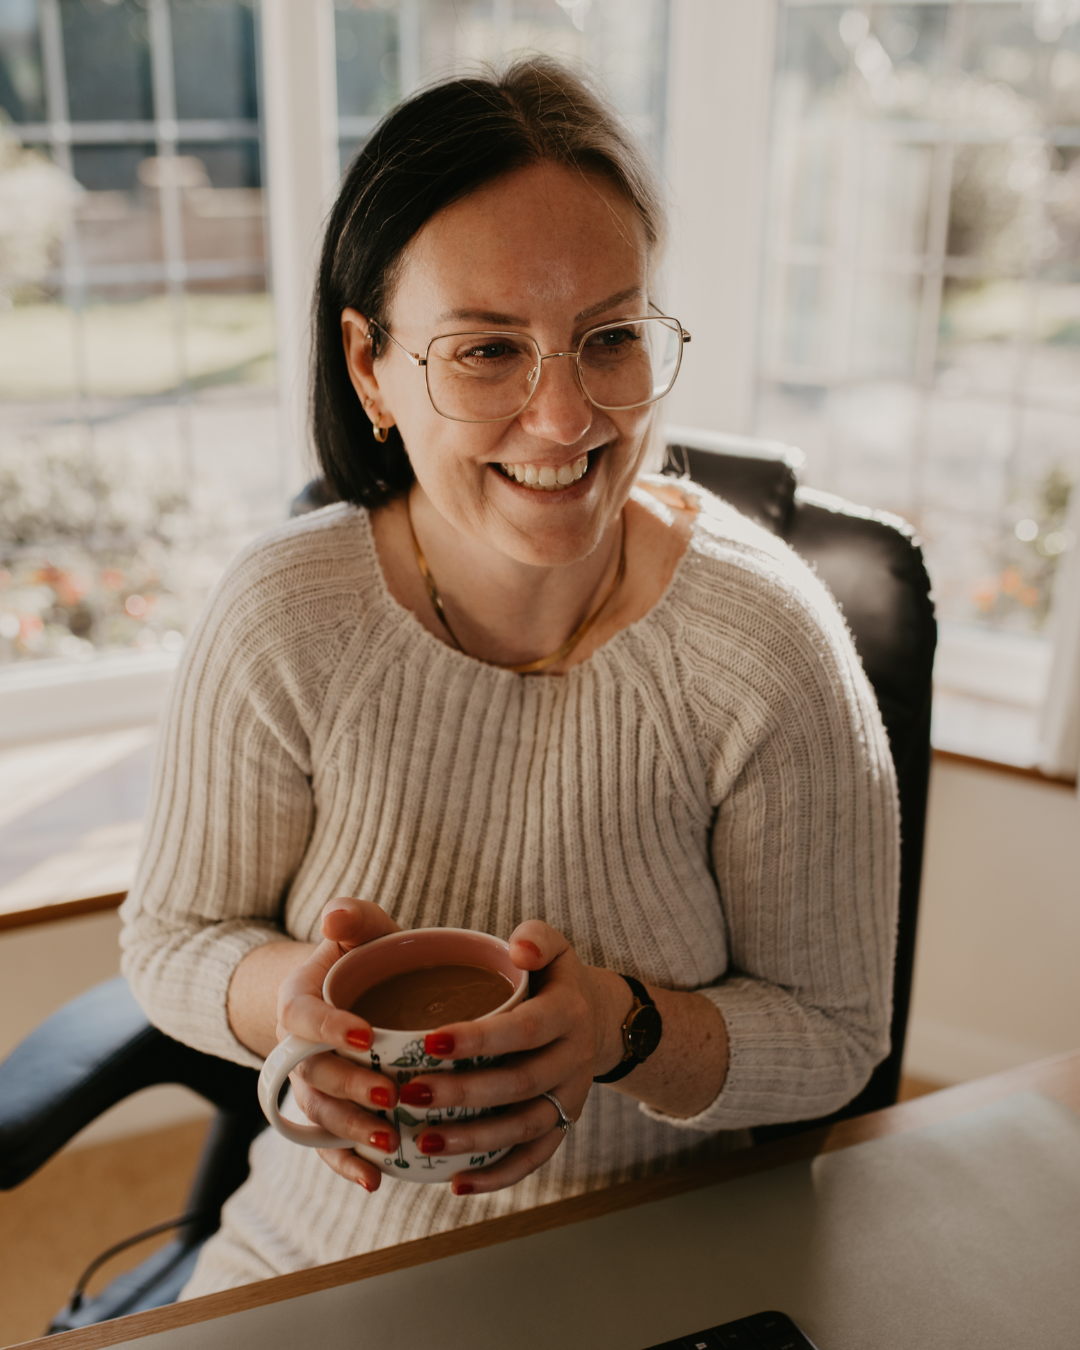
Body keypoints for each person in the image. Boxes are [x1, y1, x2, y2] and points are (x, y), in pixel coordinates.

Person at [120, 58, 899, 1296]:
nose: (566, 419)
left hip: (655, 1266)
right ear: (371, 366)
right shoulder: (281, 615)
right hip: (314, 1258)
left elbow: (839, 1039)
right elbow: (170, 939)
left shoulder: (768, 647)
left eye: (610, 339)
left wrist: (621, 1028)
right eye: (488, 351)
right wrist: (293, 1002)